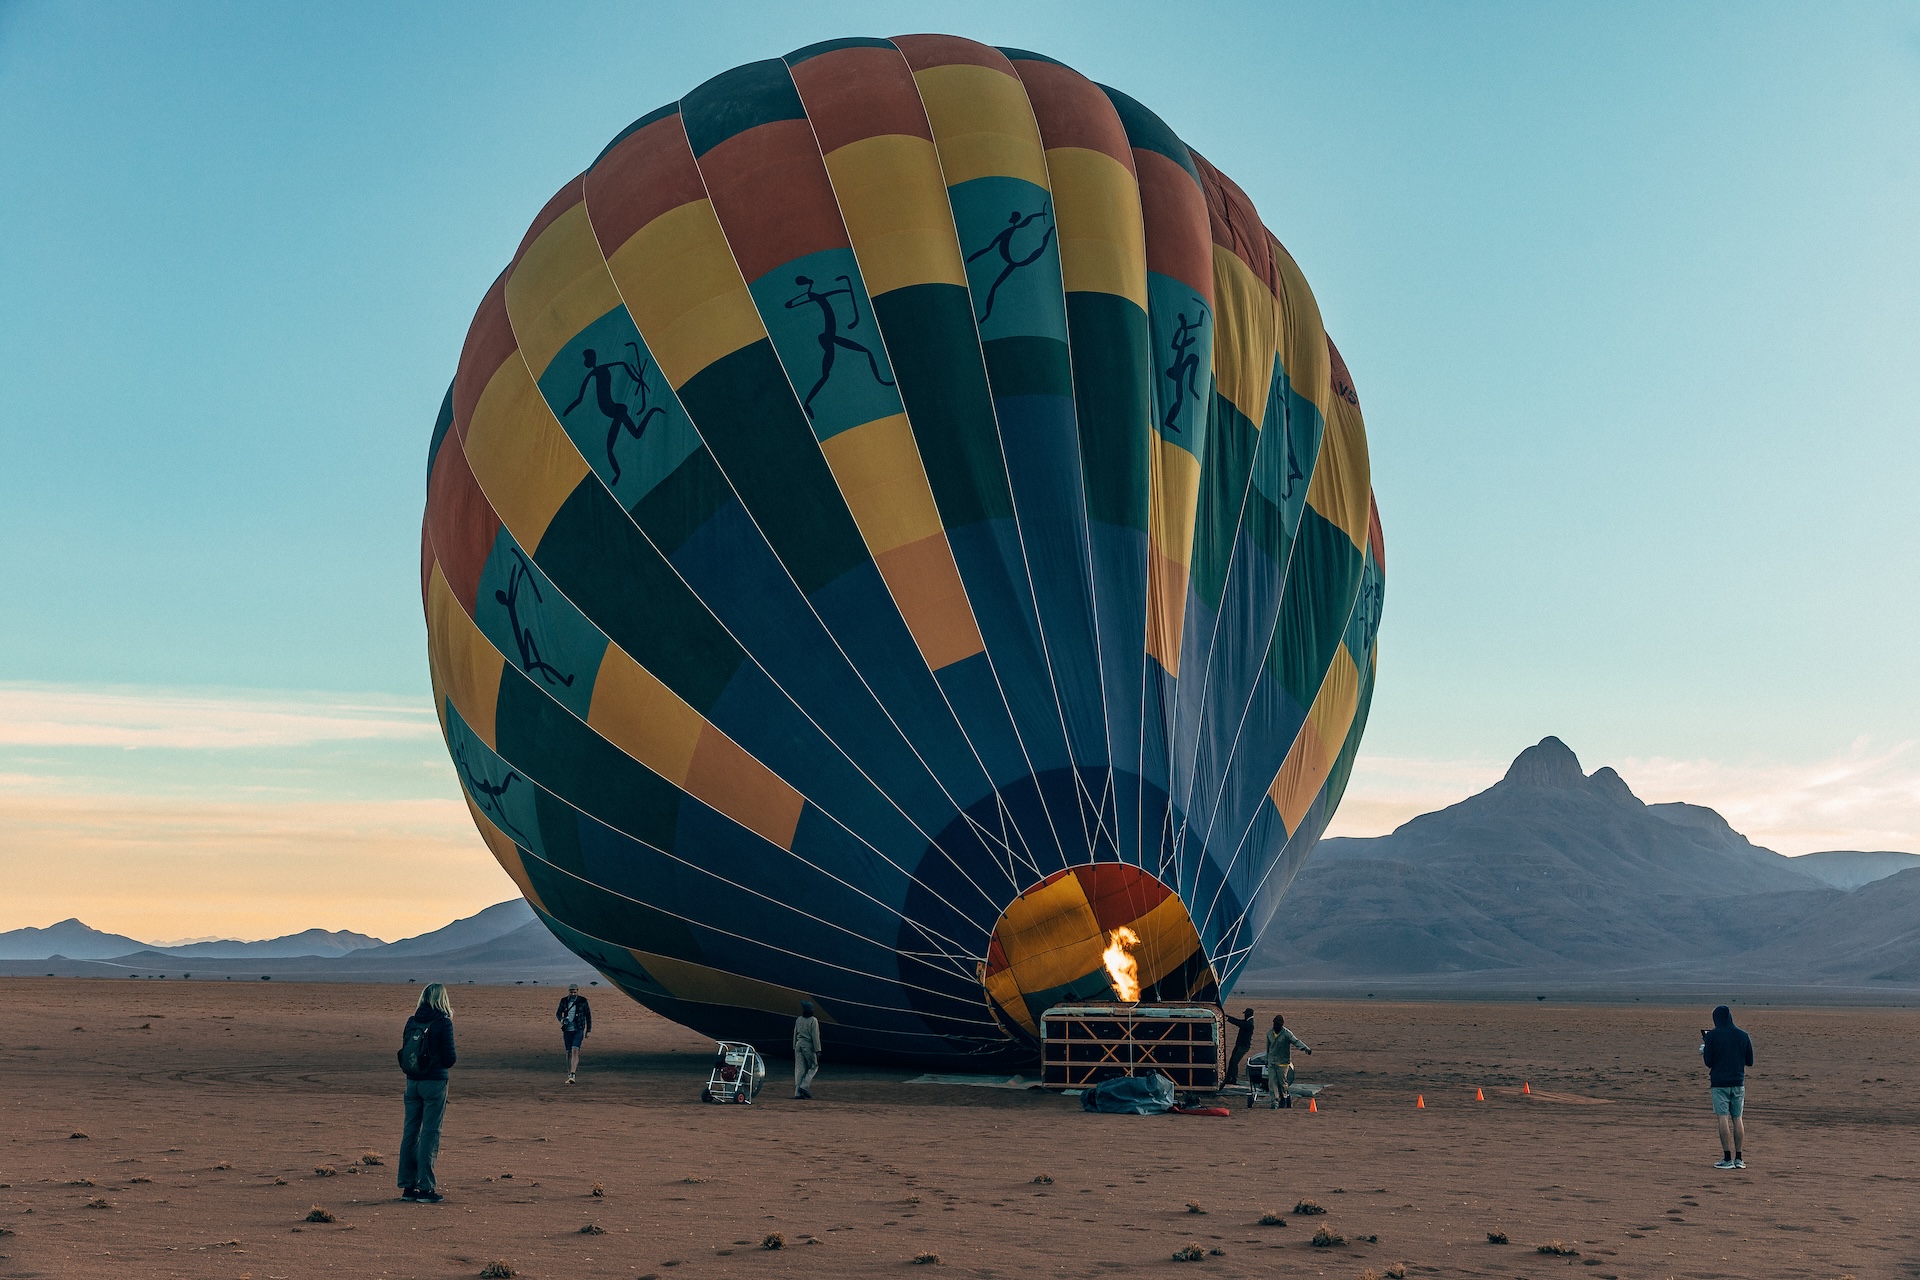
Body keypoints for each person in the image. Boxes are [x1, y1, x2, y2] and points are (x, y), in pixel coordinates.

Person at [397, 983, 457, 1203]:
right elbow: (450, 1058)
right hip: (434, 1083)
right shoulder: (443, 1023)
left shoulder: (412, 1021)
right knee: (430, 1134)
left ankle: (407, 1186)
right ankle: (426, 1188)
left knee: (410, 1132)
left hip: (412, 1082)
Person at [1700, 1004, 1754, 1169]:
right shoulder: (1743, 1035)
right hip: (1738, 1082)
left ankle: (1727, 1158)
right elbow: (1749, 1061)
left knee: (1722, 1117)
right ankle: (1739, 1158)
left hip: (1719, 1083)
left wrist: (1705, 1050)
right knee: (1737, 1118)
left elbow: (1709, 1062)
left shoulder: (1712, 1036)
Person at [1265, 1013, 1313, 1107]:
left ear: (1282, 1025)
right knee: (1272, 1082)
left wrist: (1306, 1049)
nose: (1276, 1026)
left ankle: (1284, 1097)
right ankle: (1274, 1102)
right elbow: (1268, 1048)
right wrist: (1267, 1059)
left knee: (1282, 1083)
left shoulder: (1287, 1034)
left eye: (1278, 1025)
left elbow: (1296, 1041)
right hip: (1272, 1061)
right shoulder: (1269, 1033)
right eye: (1275, 1024)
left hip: (1283, 1063)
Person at [556, 983, 592, 1084]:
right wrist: (562, 1019)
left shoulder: (583, 1001)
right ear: (569, 992)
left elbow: (588, 1015)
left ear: (577, 991)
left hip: (578, 1028)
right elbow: (558, 1013)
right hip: (567, 1029)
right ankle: (569, 1073)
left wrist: (588, 1030)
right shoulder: (564, 1001)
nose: (573, 994)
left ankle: (573, 1073)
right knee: (568, 1052)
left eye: (575, 992)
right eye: (571, 992)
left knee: (575, 1049)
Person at [792, 999, 822, 1099]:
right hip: (808, 1045)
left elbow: (795, 1034)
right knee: (814, 1066)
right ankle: (804, 1086)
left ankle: (797, 1093)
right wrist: (818, 1050)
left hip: (798, 1045)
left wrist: (794, 1047)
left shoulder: (798, 1019)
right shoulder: (813, 1020)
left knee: (799, 1069)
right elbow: (815, 1036)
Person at [1223, 1007, 1256, 1086]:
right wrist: (1229, 1017)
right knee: (1232, 1061)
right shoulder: (1248, 1022)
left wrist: (1229, 1019)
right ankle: (1229, 1078)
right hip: (1240, 1045)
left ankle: (1233, 1079)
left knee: (1234, 1062)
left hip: (1243, 1046)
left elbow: (1239, 1023)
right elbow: (1239, 1021)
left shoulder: (1249, 1024)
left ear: (1248, 1014)